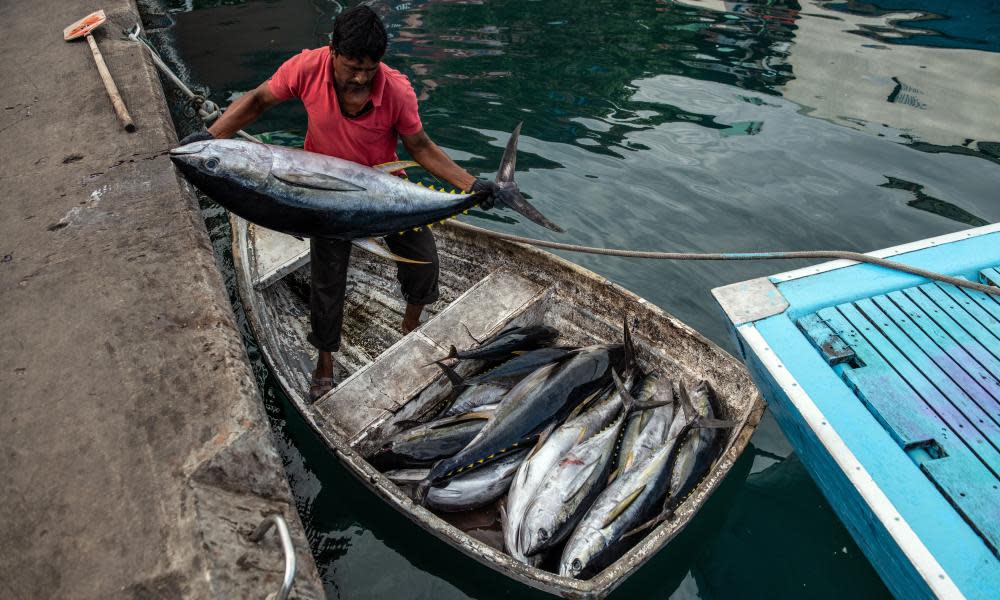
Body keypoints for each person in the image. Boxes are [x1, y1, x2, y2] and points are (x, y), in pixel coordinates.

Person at [181, 6, 496, 401]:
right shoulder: (306, 68)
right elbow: (259, 100)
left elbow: (420, 147)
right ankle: (325, 359)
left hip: (385, 193)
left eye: (370, 68)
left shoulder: (395, 90)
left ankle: (411, 326)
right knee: (327, 285)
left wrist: (471, 185)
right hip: (321, 200)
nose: (361, 77)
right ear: (332, 50)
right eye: (352, 66)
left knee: (425, 262)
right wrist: (208, 137)